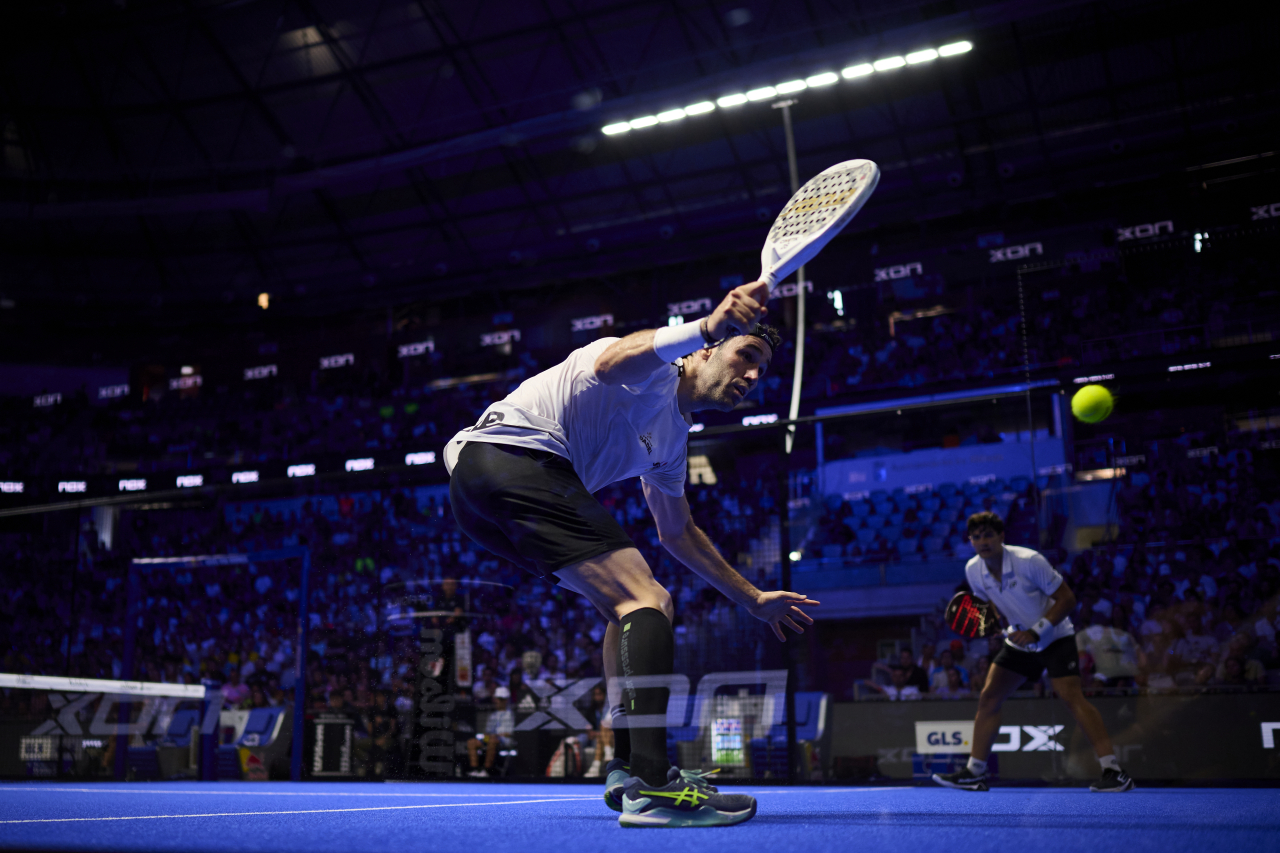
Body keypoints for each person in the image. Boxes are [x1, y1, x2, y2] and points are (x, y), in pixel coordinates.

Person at [446, 281, 819, 827]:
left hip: (479, 497)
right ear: (705, 352)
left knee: (641, 604)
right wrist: (707, 324)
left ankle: (625, 766)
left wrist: (753, 597)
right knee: (641, 596)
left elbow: (679, 533)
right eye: (746, 354)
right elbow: (614, 359)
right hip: (513, 458)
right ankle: (653, 781)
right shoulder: (655, 370)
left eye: (762, 367)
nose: (754, 375)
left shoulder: (671, 441)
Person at [932, 512, 1134, 793]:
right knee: (989, 698)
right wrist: (995, 625)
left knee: (1071, 697)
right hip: (1019, 642)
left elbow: (1067, 599)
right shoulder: (972, 570)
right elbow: (988, 607)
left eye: (988, 535)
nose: (983, 541)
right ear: (970, 541)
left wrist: (1036, 631)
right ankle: (974, 773)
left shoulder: (1029, 561)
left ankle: (1114, 772)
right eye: (976, 537)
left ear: (1001, 537)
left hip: (1054, 636)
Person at [466, 686, 515, 777]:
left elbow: (509, 733)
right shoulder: (493, 715)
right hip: (491, 738)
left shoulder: (510, 715)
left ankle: (486, 771)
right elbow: (487, 732)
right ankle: (475, 770)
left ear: (506, 700)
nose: (498, 701)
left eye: (501, 699)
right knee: (471, 742)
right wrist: (486, 737)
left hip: (504, 741)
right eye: (497, 699)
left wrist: (496, 735)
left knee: (492, 740)